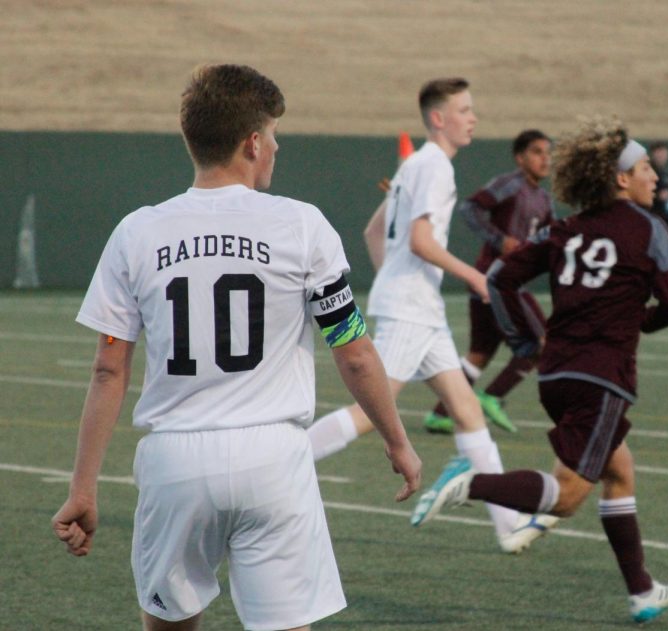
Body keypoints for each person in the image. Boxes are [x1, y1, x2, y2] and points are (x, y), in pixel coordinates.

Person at [51, 64, 421, 631]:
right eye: (272, 135)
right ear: (252, 143)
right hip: (273, 460)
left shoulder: (137, 232)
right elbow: (352, 349)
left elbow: (108, 370)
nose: (275, 146)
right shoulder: (302, 225)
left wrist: (82, 487)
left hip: (175, 461)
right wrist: (397, 440)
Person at [410, 115, 668, 623]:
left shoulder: (567, 228)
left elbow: (499, 281)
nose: (655, 176)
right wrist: (637, 321)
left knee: (619, 470)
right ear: (621, 178)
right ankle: (473, 482)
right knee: (563, 499)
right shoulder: (651, 229)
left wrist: (522, 340)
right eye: (646, 167)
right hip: (603, 377)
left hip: (556, 373)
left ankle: (643, 591)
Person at [307, 77, 557, 554]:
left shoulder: (415, 165)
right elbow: (420, 242)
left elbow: (373, 232)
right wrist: (479, 278)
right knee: (370, 414)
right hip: (412, 311)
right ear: (438, 118)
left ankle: (508, 526)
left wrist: (395, 281)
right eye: (464, 110)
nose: (473, 118)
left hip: (420, 307)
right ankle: (279, 466)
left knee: (466, 411)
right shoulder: (435, 166)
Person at [422, 129, 555, 435]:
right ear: (520, 158)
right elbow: (470, 208)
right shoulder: (509, 184)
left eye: (548, 153)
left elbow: (550, 239)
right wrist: (499, 239)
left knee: (479, 354)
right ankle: (492, 396)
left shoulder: (545, 199)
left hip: (502, 283)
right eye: (537, 152)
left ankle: (440, 414)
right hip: (496, 280)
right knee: (542, 343)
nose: (545, 158)